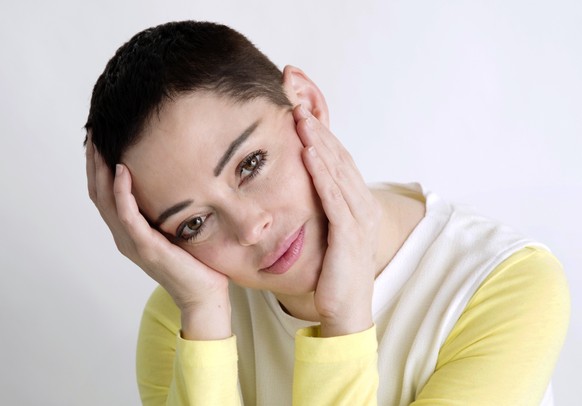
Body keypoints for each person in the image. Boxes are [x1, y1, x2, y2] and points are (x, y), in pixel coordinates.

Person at [84, 21, 569, 405]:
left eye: (250, 164)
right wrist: (204, 318)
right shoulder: (186, 321)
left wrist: (345, 319)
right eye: (193, 224)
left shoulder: (506, 288)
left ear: (307, 105)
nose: (252, 228)